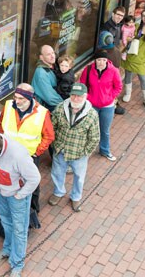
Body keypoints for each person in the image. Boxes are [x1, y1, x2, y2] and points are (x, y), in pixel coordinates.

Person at [0, 132, 40, 277]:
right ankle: (7, 249)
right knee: (6, 222)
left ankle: (17, 263)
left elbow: (35, 178)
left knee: (19, 230)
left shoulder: (18, 155)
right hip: (0, 192)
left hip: (16, 195)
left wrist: (20, 195)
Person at [0, 83, 54, 219]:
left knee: (32, 183)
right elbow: (1, 125)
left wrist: (38, 152)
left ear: (30, 98)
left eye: (21, 98)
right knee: (11, 180)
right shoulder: (8, 106)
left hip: (29, 156)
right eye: (15, 97)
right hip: (9, 154)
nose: (17, 101)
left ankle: (33, 209)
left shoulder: (42, 113)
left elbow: (49, 136)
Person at [48, 83, 100, 212]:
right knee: (57, 173)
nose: (76, 99)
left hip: (79, 154)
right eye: (74, 95)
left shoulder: (92, 114)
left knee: (79, 176)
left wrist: (86, 152)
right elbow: (52, 127)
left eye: (80, 96)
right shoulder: (60, 108)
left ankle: (76, 196)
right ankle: (58, 192)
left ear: (85, 97)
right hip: (61, 150)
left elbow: (94, 137)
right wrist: (55, 145)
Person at [79, 50, 122, 161]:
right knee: (88, 129)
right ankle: (85, 152)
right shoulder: (88, 69)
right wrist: (88, 97)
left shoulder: (113, 71)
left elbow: (118, 87)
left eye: (104, 60)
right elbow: (82, 86)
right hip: (92, 105)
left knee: (105, 130)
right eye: (99, 60)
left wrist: (109, 97)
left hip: (107, 106)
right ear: (95, 60)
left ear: (107, 60)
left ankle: (105, 150)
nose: (101, 62)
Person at [121, 10, 145, 110]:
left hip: (141, 58)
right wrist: (128, 38)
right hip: (131, 54)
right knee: (128, 74)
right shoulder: (137, 25)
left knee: (143, 78)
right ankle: (127, 93)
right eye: (143, 16)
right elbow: (128, 34)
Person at [30, 45, 62, 111]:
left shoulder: (54, 65)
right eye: (48, 54)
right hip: (48, 108)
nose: (52, 56)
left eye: (53, 53)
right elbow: (50, 98)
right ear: (41, 57)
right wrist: (65, 104)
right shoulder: (41, 74)